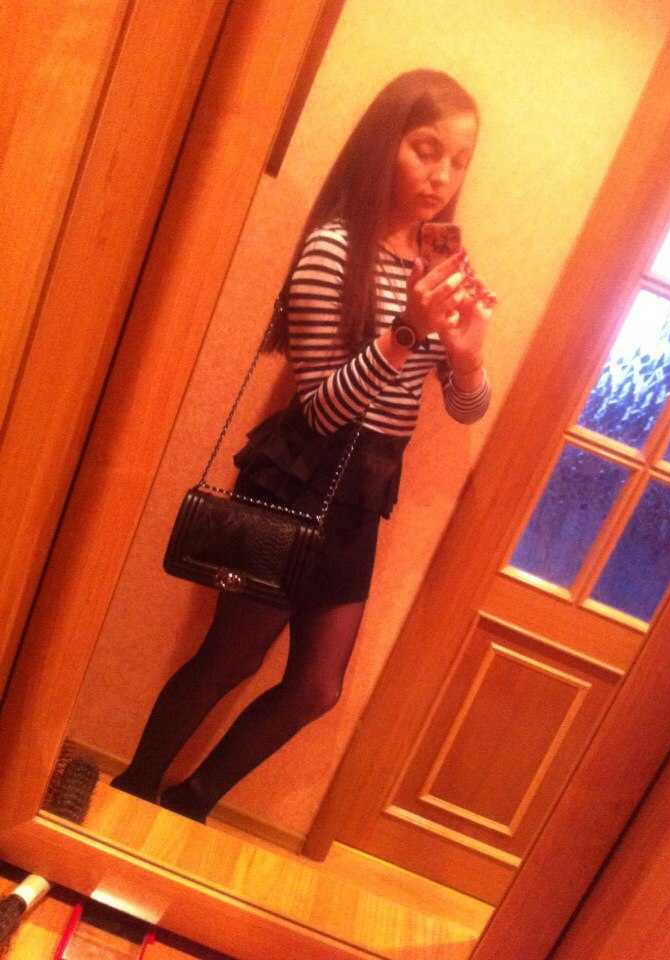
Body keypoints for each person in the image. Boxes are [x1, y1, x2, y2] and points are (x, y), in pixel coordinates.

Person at [110, 69, 495, 824]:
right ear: (386, 142)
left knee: (317, 688)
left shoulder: (438, 266)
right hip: (299, 476)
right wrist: (408, 329)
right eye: (426, 150)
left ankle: (189, 802)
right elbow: (321, 410)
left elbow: (464, 406)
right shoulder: (333, 251)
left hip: (364, 490)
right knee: (231, 658)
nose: (441, 177)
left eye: (458, 162)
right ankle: (133, 789)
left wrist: (469, 355)